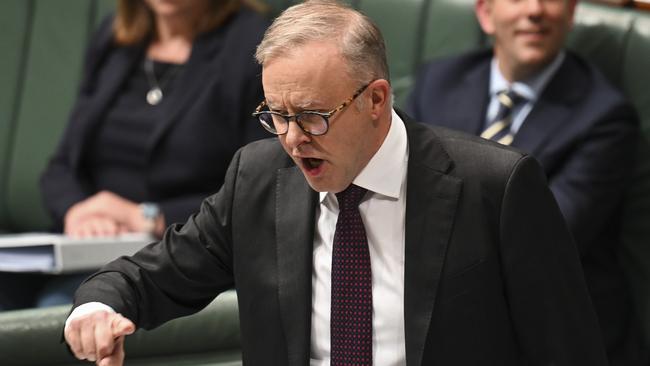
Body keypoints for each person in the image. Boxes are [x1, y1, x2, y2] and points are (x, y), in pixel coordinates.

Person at [64, 1, 608, 365]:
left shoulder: (496, 185)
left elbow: (568, 350)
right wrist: (97, 308)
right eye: (275, 114)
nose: (293, 138)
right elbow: (150, 276)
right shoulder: (258, 178)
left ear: (376, 100)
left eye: (313, 115)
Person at [406, 0, 642, 364]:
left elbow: (546, 238)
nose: (534, 10)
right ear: (486, 13)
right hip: (438, 310)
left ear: (571, 12)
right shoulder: (438, 82)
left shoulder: (605, 118)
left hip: (547, 330)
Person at [0, 0, 269, 311]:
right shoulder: (116, 39)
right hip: (86, 243)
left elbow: (257, 189)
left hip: (178, 249)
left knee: (62, 309)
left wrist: (148, 217)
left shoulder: (251, 46)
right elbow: (62, 166)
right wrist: (78, 211)